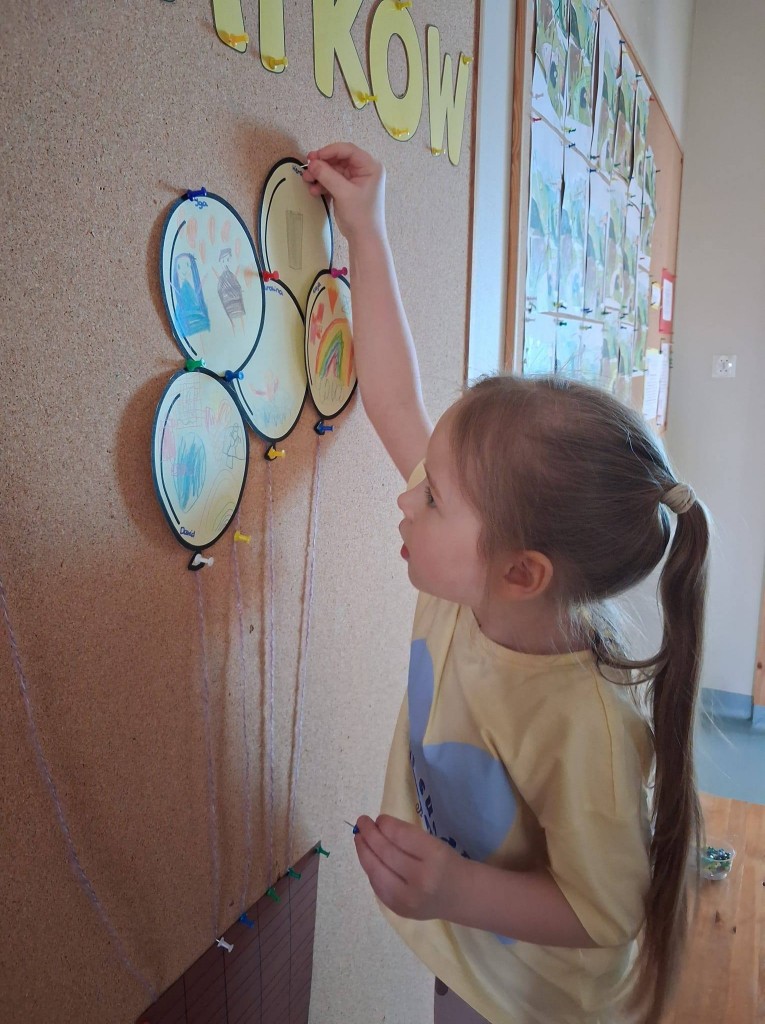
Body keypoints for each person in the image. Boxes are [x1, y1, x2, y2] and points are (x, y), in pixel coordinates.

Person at [302, 143, 709, 1024]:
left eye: (433, 497)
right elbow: (393, 400)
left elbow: (605, 912)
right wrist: (365, 228)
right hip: (472, 956)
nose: (407, 497)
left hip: (538, 1003)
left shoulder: (586, 729)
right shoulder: (469, 575)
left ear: (521, 572)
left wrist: (454, 888)